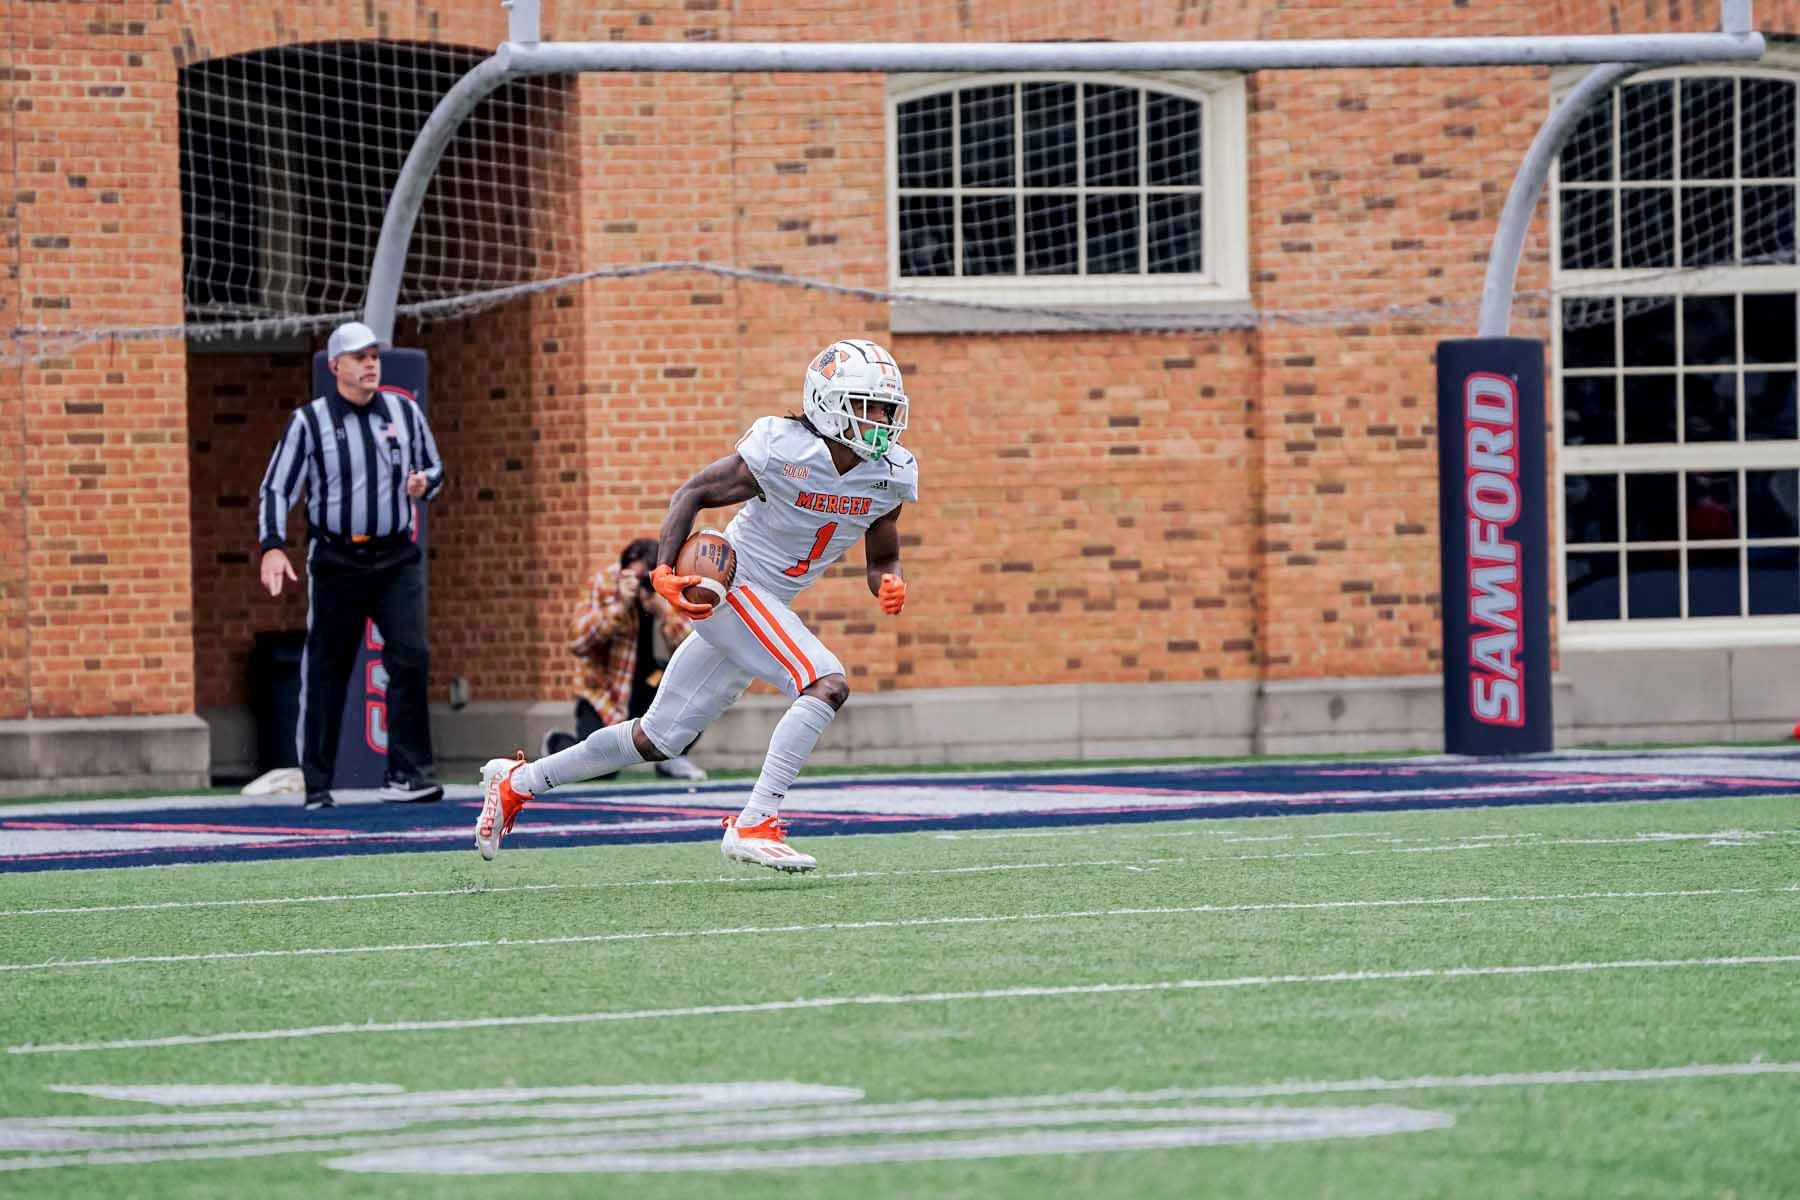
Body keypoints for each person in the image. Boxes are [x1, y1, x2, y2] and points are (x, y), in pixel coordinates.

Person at [475, 337, 917, 871]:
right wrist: (664, 569)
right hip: (733, 584)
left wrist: (888, 580)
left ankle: (516, 784)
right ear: (827, 402)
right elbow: (691, 493)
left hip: (769, 604)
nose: (879, 421)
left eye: (886, 409)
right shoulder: (784, 449)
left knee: (657, 738)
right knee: (825, 681)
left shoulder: (889, 471)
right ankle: (756, 820)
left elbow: (882, 551)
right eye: (867, 407)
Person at [257, 320, 447, 812]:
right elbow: (278, 487)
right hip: (338, 558)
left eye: (374, 357)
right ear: (335, 365)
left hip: (395, 556)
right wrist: (273, 545)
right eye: (359, 357)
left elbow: (436, 467)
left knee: (410, 655)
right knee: (328, 667)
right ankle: (316, 781)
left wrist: (425, 482)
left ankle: (407, 772)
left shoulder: (404, 411)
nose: (370, 364)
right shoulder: (310, 422)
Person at [540, 536, 708, 782]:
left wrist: (664, 613)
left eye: (648, 579)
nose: (643, 585)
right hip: (604, 693)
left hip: (650, 685)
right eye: (638, 578)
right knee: (600, 769)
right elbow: (577, 642)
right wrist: (620, 606)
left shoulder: (667, 587)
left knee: (699, 692)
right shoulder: (603, 585)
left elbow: (696, 646)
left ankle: (674, 757)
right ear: (624, 571)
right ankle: (556, 743)